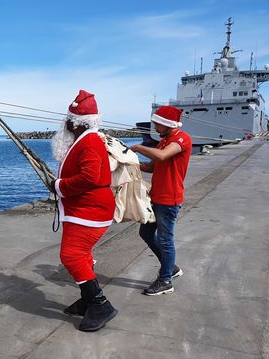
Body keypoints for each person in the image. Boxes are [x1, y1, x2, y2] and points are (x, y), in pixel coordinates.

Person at [49, 90, 118, 332]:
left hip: (89, 210)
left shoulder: (88, 141)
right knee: (83, 255)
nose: (65, 123)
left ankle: (100, 304)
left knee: (72, 256)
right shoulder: (87, 139)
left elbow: (89, 177)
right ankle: (88, 299)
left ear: (76, 122)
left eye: (68, 119)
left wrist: (59, 186)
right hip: (85, 209)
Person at [129, 106, 192, 295]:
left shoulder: (182, 139)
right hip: (156, 196)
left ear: (167, 124)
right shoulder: (163, 142)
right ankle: (170, 267)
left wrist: (139, 147)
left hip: (169, 198)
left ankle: (166, 280)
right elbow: (153, 167)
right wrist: (131, 163)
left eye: (157, 123)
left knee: (165, 240)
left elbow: (163, 156)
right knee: (146, 233)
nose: (154, 127)